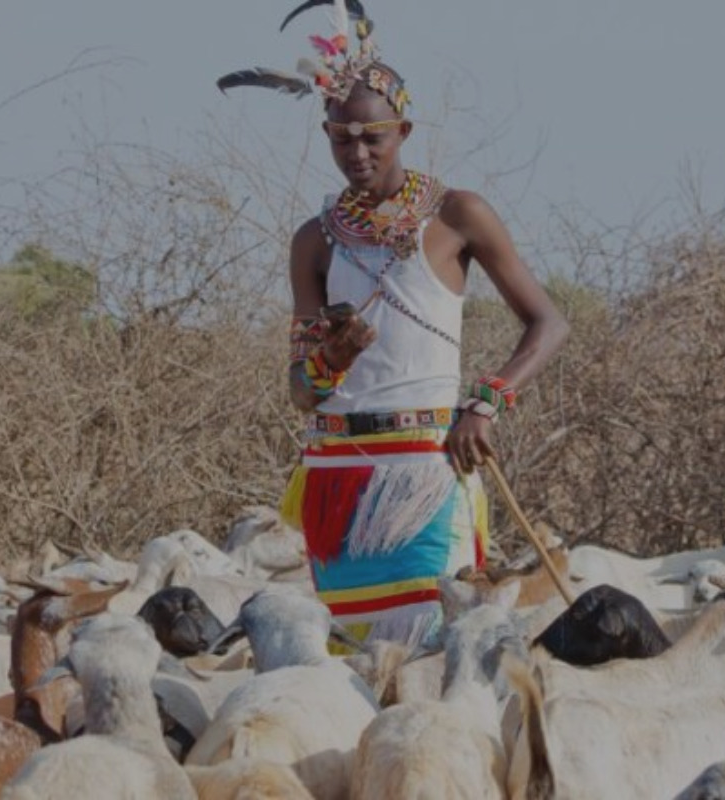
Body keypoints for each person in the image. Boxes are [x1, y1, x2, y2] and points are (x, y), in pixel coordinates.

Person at [219, 5, 570, 646]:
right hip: (336, 478)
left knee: (433, 648)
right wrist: (331, 358)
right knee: (349, 658)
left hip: (426, 471)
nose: (356, 152)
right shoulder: (314, 241)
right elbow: (302, 392)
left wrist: (486, 404)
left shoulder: (458, 215)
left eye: (372, 137)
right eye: (341, 138)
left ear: (403, 130)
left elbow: (547, 324)